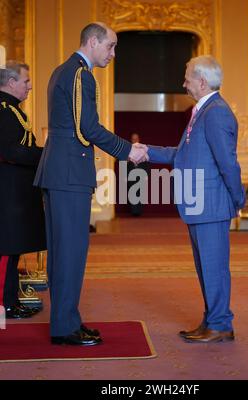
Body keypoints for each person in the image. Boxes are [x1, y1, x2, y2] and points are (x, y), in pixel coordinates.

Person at [34, 22, 147, 346]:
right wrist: (127, 150)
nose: (113, 54)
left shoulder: (62, 70)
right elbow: (89, 128)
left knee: (61, 252)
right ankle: (65, 328)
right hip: (69, 172)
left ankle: (66, 322)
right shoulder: (82, 75)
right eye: (110, 46)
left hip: (59, 170)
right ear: (93, 42)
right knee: (70, 252)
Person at [138, 56, 245, 343]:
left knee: (214, 267)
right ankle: (213, 320)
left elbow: (228, 163)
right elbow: (182, 154)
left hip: (210, 204)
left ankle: (221, 323)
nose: (183, 83)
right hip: (201, 204)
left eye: (186, 78)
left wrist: (237, 199)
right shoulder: (202, 112)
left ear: (202, 81)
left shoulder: (216, 113)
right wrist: (147, 150)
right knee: (206, 268)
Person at [0, 61, 46, 319]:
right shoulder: (4, 110)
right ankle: (3, 305)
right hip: (7, 194)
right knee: (5, 253)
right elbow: (10, 151)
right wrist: (45, 154)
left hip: (14, 193)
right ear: (11, 82)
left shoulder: (12, 110)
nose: (29, 86)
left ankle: (10, 301)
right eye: (26, 81)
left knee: (12, 250)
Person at [127, 133, 149, 216]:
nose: (135, 141)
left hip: (141, 175)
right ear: (131, 140)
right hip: (130, 175)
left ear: (139, 140)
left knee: (140, 193)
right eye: (133, 139)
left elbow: (147, 163)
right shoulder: (127, 150)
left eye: (136, 139)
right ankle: (134, 211)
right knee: (131, 193)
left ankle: (138, 211)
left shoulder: (143, 150)